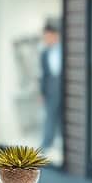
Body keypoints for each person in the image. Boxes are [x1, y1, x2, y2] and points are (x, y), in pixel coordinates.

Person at [39, 19, 62, 153]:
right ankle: (47, 144)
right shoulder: (44, 53)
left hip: (62, 85)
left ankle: (55, 141)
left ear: (55, 35)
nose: (46, 40)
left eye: (47, 36)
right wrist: (42, 92)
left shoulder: (63, 49)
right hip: (51, 87)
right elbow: (43, 74)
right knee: (50, 115)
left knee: (59, 116)